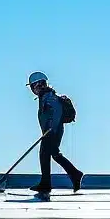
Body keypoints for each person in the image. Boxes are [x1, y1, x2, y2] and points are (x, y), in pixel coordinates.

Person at [28, 71, 83, 201]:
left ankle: (47, 184)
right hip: (50, 131)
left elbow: (56, 112)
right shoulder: (44, 97)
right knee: (51, 154)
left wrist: (51, 128)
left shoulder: (49, 96)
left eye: (32, 86)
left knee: (47, 154)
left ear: (38, 85)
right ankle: (73, 174)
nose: (32, 90)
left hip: (53, 131)